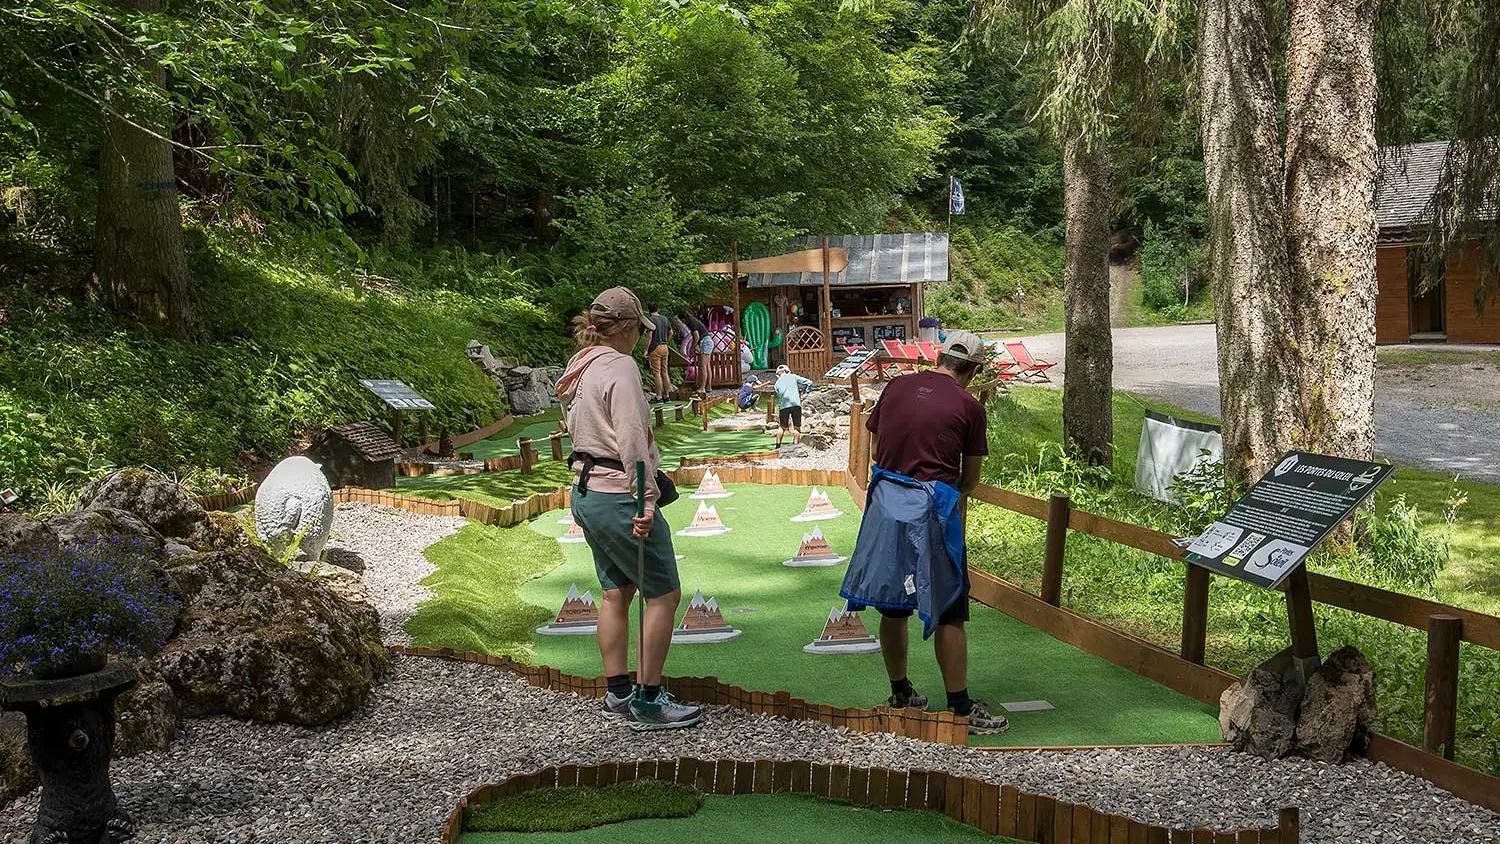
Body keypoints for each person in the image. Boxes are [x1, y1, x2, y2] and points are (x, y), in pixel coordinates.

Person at [838, 330, 1008, 734]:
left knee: (893, 606)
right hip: (932, 512)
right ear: (974, 369)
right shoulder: (969, 407)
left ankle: (901, 693)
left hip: (886, 510)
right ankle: (961, 708)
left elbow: (876, 449)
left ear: (939, 356)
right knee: (950, 608)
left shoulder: (896, 387)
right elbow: (970, 479)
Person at [556, 287, 703, 732]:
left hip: (585, 492)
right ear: (627, 329)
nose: (642, 339)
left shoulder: (579, 366)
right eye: (640, 331)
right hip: (619, 493)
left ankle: (618, 691)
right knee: (663, 593)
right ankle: (649, 701)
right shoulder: (619, 367)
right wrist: (647, 499)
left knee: (615, 591)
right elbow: (633, 441)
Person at [772, 364, 812, 447]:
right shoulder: (793, 376)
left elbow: (779, 398)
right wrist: (806, 393)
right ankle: (795, 446)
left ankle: (777, 446)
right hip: (796, 404)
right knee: (797, 427)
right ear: (788, 371)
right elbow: (809, 382)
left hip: (783, 406)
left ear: (777, 374)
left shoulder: (776, 384)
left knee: (782, 427)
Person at [678, 309, 711, 394]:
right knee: (707, 366)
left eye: (682, 321)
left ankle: (702, 388)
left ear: (684, 318)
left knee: (702, 366)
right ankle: (708, 387)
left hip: (705, 342)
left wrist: (692, 348)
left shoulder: (692, 323)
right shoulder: (695, 321)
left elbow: (696, 336)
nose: (683, 323)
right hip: (708, 341)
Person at [646, 302, 673, 404]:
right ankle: (667, 396)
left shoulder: (651, 320)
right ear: (658, 308)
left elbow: (649, 336)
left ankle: (659, 397)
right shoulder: (665, 319)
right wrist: (666, 341)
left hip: (655, 348)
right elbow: (671, 332)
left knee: (656, 373)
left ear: (649, 310)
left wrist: (646, 350)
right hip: (664, 347)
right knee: (664, 372)